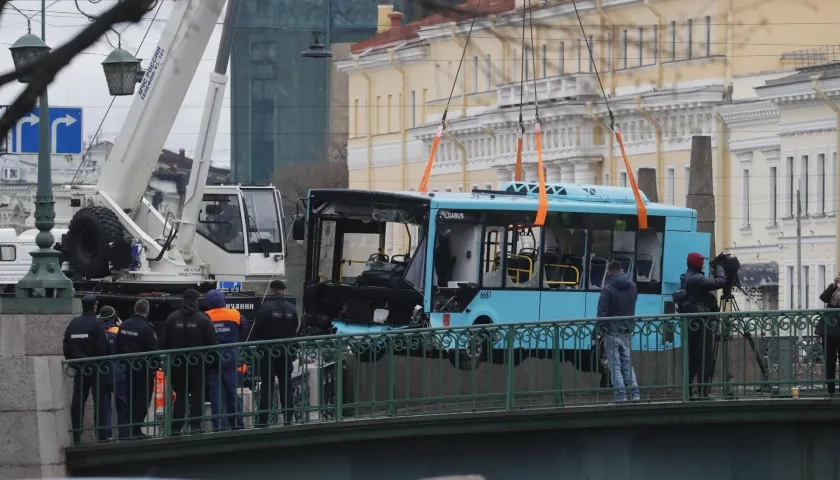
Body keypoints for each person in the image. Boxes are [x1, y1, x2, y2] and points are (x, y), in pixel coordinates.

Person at [162, 289, 218, 435]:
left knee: (181, 394)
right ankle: (196, 426)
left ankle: (176, 426)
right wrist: (213, 365)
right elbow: (213, 344)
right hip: (198, 364)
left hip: (177, 363)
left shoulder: (172, 318)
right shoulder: (203, 319)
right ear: (196, 301)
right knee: (197, 394)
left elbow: (165, 342)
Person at [250, 280, 300, 426]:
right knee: (286, 383)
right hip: (285, 352)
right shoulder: (292, 308)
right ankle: (288, 417)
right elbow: (295, 329)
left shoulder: (265, 308)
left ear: (272, 290)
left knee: (267, 385)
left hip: (268, 352)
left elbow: (256, 330)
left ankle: (263, 419)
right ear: (283, 291)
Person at [63, 295, 111, 443]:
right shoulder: (97, 324)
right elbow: (104, 346)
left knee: (78, 400)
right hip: (96, 368)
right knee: (100, 401)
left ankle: (77, 435)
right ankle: (101, 436)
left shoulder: (74, 323)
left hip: (80, 368)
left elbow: (66, 344)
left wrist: (74, 361)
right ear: (95, 307)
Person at [681, 252, 727, 399]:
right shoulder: (697, 278)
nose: (702, 265)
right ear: (697, 264)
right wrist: (719, 266)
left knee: (693, 357)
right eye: (701, 262)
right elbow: (720, 282)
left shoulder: (687, 276)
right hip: (701, 322)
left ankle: (688, 391)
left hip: (692, 322)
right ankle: (703, 392)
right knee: (705, 357)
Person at [596, 261, 641, 403]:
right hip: (626, 330)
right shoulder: (633, 286)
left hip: (611, 331)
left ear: (609, 271)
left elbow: (602, 313)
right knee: (627, 363)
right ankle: (635, 394)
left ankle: (621, 396)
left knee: (614, 364)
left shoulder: (607, 289)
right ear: (621, 270)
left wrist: (597, 331)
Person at [204, 289, 248, 431]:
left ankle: (219, 426)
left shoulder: (205, 316)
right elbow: (243, 327)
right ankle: (237, 423)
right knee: (232, 390)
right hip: (231, 359)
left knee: (216, 393)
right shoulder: (234, 314)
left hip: (213, 360)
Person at [114, 299, 159, 440]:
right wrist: (155, 366)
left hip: (124, 368)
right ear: (147, 311)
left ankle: (126, 431)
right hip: (142, 371)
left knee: (127, 399)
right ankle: (136, 429)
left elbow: (118, 346)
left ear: (134, 309)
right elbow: (153, 350)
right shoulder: (147, 327)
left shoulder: (124, 324)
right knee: (142, 400)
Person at [98, 305, 122, 440]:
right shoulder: (118, 331)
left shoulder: (99, 331)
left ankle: (105, 435)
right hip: (118, 373)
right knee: (122, 405)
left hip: (102, 373)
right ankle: (124, 434)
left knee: (105, 406)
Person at [817, 274, 840, 396]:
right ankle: (830, 387)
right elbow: (823, 298)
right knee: (830, 360)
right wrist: (834, 285)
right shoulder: (834, 288)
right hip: (829, 330)